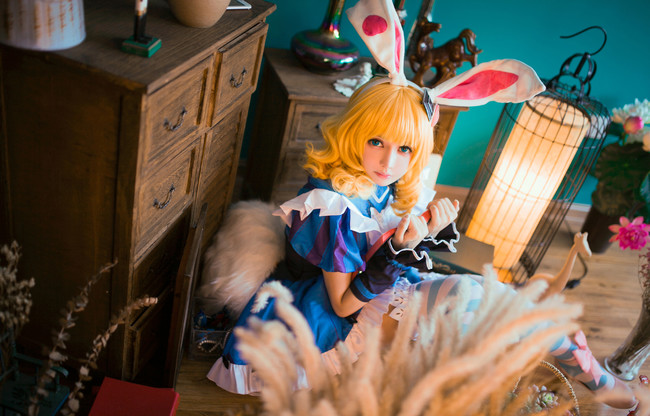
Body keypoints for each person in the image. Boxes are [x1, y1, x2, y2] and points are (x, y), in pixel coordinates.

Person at [206, 0, 637, 408]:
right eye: (376, 142)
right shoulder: (330, 204)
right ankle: (602, 386)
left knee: (496, 299)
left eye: (404, 149)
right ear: (354, 131)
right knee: (479, 300)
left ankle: (598, 383)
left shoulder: (381, 184)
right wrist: (400, 248)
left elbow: (383, 247)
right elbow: (342, 305)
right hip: (333, 315)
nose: (388, 162)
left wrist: (423, 230)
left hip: (386, 292)